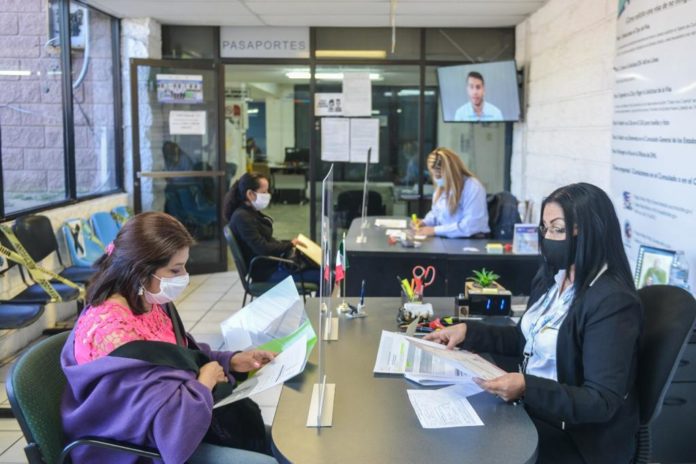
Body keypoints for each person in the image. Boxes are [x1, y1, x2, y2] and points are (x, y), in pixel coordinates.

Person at [425, 183, 643, 464]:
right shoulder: (552, 278)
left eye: (558, 229)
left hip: (576, 437)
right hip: (531, 409)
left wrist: (527, 386)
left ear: (592, 232)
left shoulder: (612, 302)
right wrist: (469, 332)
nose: (548, 237)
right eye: (545, 228)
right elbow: (524, 340)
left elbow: (600, 401)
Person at [61, 212, 278, 464]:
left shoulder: (145, 300)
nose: (184, 275)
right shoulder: (114, 336)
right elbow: (170, 430)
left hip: (183, 423)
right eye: (175, 269)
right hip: (141, 450)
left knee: (275, 444)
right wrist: (204, 383)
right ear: (140, 270)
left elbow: (182, 353)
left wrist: (231, 360)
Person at [224, 172, 320, 285]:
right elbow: (262, 248)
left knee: (321, 271)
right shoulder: (242, 218)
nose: (268, 195)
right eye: (264, 192)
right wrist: (290, 244)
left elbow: (265, 242)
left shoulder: (249, 212)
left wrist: (290, 243)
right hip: (266, 273)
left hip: (270, 265)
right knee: (324, 276)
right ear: (250, 194)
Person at [412, 147, 490, 238]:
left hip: (470, 240)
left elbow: (471, 225)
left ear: (452, 172)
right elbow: (437, 214)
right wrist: (425, 222)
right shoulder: (442, 189)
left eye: (439, 175)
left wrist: (435, 230)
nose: (437, 179)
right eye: (434, 175)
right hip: (449, 240)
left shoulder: (473, 187)